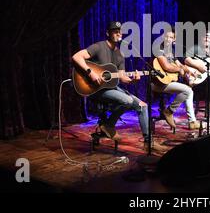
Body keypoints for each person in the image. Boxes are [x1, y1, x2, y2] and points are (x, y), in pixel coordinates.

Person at [72, 21, 159, 151]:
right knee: (128, 100)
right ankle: (109, 125)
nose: (118, 33)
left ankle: (148, 142)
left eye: (120, 31)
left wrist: (133, 80)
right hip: (96, 88)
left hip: (112, 88)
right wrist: (90, 73)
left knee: (143, 106)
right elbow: (76, 56)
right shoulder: (99, 47)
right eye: (115, 31)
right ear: (108, 33)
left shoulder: (120, 54)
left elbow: (122, 76)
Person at [152, 28, 200, 130]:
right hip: (158, 83)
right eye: (166, 36)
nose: (168, 39)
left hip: (167, 81)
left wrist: (189, 71)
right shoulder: (158, 48)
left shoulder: (171, 50)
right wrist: (179, 70)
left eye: (171, 37)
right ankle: (169, 111)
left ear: (174, 40)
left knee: (189, 92)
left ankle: (192, 121)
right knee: (188, 90)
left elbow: (179, 64)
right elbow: (166, 67)